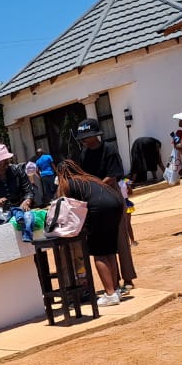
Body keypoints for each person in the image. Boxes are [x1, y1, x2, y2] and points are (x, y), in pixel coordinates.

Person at [74, 119, 137, 295]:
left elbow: (113, 175)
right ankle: (114, 282)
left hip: (112, 195)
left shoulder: (109, 149)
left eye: (87, 137)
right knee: (105, 242)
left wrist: (95, 188)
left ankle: (128, 278)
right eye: (82, 138)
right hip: (94, 199)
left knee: (120, 238)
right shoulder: (84, 153)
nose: (84, 140)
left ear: (96, 135)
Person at [53, 159, 127, 307]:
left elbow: (64, 207)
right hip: (116, 204)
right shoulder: (89, 179)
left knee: (99, 254)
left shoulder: (67, 183)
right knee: (110, 251)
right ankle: (115, 290)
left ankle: (110, 294)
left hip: (99, 209)